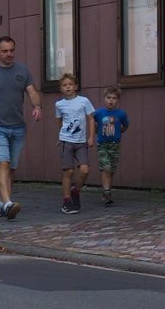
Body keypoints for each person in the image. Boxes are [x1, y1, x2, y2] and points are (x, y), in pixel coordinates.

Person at [0, 35, 41, 221]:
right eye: (5, 51)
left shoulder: (23, 71)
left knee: (11, 168)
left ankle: (1, 203)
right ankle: (8, 203)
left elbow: (32, 91)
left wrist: (37, 106)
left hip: (18, 127)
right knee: (2, 163)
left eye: (11, 50)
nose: (9, 54)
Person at [53, 73, 95, 214]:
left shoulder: (84, 101)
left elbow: (91, 119)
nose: (68, 87)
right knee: (69, 171)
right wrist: (59, 138)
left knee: (84, 170)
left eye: (70, 84)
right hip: (66, 141)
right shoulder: (59, 104)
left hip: (81, 142)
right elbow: (60, 122)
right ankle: (66, 201)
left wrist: (91, 137)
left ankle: (75, 191)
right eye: (64, 85)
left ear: (75, 86)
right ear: (61, 88)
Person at [94, 87, 130, 207]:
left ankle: (107, 192)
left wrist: (119, 133)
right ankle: (106, 192)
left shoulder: (121, 114)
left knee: (112, 170)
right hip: (102, 144)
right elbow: (91, 122)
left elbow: (126, 125)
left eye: (114, 98)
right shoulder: (99, 113)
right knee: (106, 167)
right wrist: (96, 131)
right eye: (109, 98)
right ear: (104, 98)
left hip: (114, 145)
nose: (111, 100)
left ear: (117, 100)